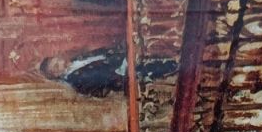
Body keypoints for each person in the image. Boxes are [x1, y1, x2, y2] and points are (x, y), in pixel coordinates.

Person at [38, 49, 179, 98]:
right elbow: (101, 89)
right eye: (57, 65)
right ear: (57, 74)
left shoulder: (76, 59)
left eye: (57, 60)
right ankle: (175, 68)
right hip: (122, 74)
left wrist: (116, 53)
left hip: (120, 58)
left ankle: (174, 60)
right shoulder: (76, 81)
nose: (61, 61)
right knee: (155, 69)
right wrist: (119, 73)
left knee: (154, 53)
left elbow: (100, 54)